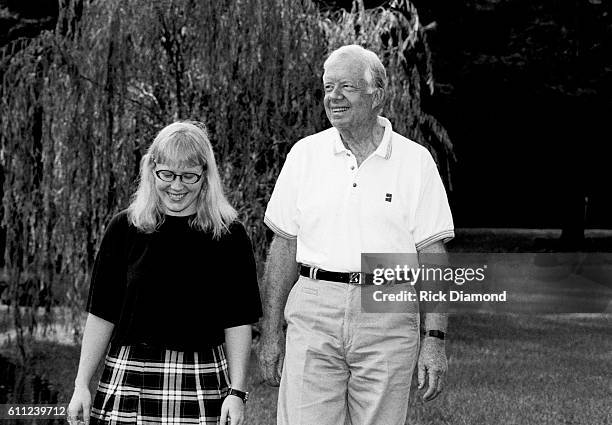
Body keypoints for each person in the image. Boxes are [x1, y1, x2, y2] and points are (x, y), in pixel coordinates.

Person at [258, 45, 454, 425]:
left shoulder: (415, 161)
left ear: (376, 95)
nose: (333, 96)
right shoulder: (304, 155)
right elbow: (283, 246)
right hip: (314, 303)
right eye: (328, 87)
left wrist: (434, 339)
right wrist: (270, 332)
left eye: (345, 86)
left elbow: (432, 253)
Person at [67, 121, 262, 425]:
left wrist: (236, 393)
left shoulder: (229, 236)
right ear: (151, 170)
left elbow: (238, 321)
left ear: (206, 176)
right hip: (129, 374)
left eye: (189, 176)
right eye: (167, 174)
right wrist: (81, 384)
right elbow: (102, 313)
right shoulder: (124, 229)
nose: (177, 186)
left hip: (201, 379)